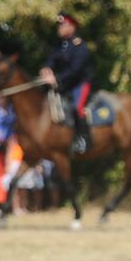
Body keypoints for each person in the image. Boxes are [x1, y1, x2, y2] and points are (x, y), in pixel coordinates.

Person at [40, 12, 94, 155]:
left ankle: (83, 139)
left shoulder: (79, 46)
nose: (59, 27)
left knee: (78, 108)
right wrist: (46, 69)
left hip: (79, 84)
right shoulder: (60, 45)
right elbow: (52, 60)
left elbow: (75, 70)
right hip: (63, 84)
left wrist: (56, 79)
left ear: (71, 26)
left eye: (62, 25)